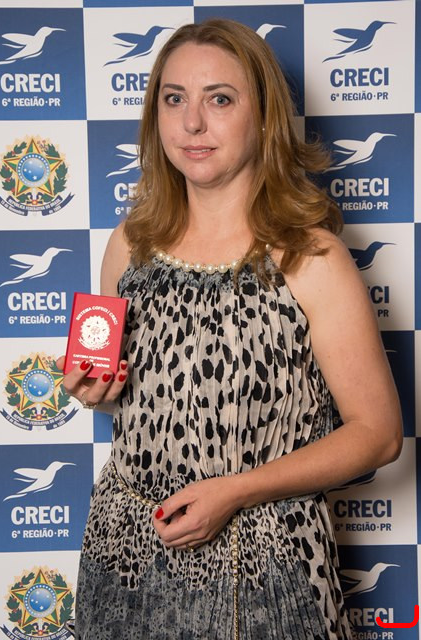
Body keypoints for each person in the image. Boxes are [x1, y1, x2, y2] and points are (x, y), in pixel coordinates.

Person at [59, 18, 402, 640]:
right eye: (174, 99)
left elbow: (378, 435)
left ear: (264, 118)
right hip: (126, 554)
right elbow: (126, 397)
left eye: (219, 99)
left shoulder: (311, 257)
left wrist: (237, 491)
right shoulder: (129, 244)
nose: (192, 123)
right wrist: (91, 389)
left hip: (266, 565)